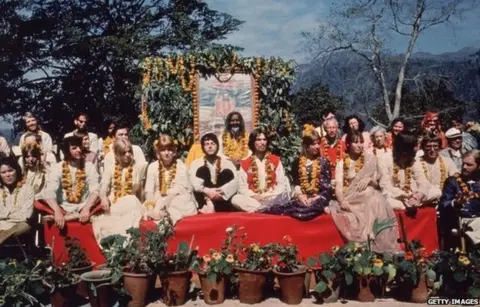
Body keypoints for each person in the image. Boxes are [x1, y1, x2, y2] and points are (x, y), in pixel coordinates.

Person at [329, 131, 399, 253]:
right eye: (356, 142)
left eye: (361, 142)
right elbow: (339, 187)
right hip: (351, 198)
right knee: (371, 195)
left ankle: (375, 237)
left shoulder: (371, 160)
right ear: (349, 144)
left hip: (370, 197)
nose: (360, 145)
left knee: (374, 196)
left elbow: (378, 185)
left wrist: (370, 180)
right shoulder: (341, 164)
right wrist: (341, 200)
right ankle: (366, 237)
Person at [260, 125, 332, 221]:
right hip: (303, 197)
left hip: (318, 198)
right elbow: (297, 184)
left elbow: (326, 187)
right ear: (306, 146)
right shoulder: (297, 162)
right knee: (285, 209)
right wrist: (300, 195)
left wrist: (315, 198)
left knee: (308, 210)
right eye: (314, 144)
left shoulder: (323, 161)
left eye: (318, 143)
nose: (317, 147)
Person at [91, 139, 147, 245]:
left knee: (132, 200)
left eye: (130, 151)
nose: (128, 155)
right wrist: (103, 198)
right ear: (116, 155)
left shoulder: (137, 168)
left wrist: (144, 205)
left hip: (132, 205)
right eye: (123, 153)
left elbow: (141, 191)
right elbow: (103, 189)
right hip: (114, 204)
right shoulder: (111, 168)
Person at [41, 136, 100, 229]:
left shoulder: (89, 166)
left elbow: (95, 190)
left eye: (80, 146)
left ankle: (69, 217)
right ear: (66, 151)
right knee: (40, 202)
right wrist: (57, 211)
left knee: (102, 201)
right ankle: (71, 216)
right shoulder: (58, 167)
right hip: (63, 207)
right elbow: (50, 191)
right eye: (74, 148)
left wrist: (86, 208)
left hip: (84, 206)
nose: (79, 150)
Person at [231, 127, 291, 212]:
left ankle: (260, 209)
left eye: (264, 139)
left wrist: (270, 195)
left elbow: (281, 183)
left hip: (272, 197)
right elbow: (242, 187)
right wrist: (255, 196)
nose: (262, 143)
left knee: (284, 194)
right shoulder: (245, 163)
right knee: (236, 199)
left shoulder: (275, 160)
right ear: (253, 142)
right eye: (258, 140)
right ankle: (266, 209)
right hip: (254, 199)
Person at [143, 135, 197, 225]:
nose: (167, 153)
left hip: (177, 199)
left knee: (181, 202)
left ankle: (167, 218)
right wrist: (151, 208)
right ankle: (162, 216)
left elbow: (182, 188)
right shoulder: (152, 167)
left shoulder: (181, 166)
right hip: (159, 199)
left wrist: (167, 201)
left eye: (169, 149)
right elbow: (149, 191)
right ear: (158, 152)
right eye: (163, 150)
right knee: (158, 204)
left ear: (174, 151)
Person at [378, 132, 438, 210]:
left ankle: (413, 203)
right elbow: (385, 186)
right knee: (385, 201)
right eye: (415, 146)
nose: (418, 148)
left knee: (437, 191)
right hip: (396, 196)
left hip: (414, 194)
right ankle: (410, 204)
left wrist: (419, 195)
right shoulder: (384, 159)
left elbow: (422, 181)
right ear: (405, 148)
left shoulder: (413, 160)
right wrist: (406, 195)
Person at [438, 150, 480, 248]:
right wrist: (456, 203)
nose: (464, 167)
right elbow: (443, 205)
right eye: (463, 163)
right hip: (461, 221)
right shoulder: (452, 181)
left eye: (469, 165)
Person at [189, 133, 239, 213]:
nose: (210, 146)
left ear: (218, 146)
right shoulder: (196, 163)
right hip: (205, 202)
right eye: (206, 144)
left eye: (213, 144)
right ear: (203, 147)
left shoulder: (227, 163)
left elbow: (236, 182)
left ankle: (219, 208)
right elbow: (192, 182)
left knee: (227, 172)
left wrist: (220, 192)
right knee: (202, 170)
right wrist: (208, 191)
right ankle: (209, 206)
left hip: (222, 200)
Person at [0, 157, 34, 245]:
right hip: (1, 224)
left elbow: (26, 215)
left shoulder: (27, 189)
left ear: (17, 170)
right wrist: (11, 215)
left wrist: (5, 215)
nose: (8, 175)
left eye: (10, 171)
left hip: (19, 226)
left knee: (24, 227)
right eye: (3, 172)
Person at [414, 133, 458, 202]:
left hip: (444, 200)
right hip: (423, 199)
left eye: (435, 146)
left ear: (440, 147)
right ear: (422, 148)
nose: (432, 149)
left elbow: (456, 176)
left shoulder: (448, 161)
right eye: (428, 146)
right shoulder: (416, 162)